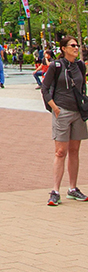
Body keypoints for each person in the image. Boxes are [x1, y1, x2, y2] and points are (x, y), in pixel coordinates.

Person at [42, 36, 88, 206]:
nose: (76, 48)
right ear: (63, 48)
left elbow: (82, 87)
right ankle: (55, 191)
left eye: (77, 45)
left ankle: (73, 188)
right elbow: (45, 88)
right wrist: (54, 107)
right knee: (61, 151)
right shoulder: (56, 66)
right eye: (73, 45)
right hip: (62, 111)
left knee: (75, 150)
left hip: (77, 112)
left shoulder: (80, 66)